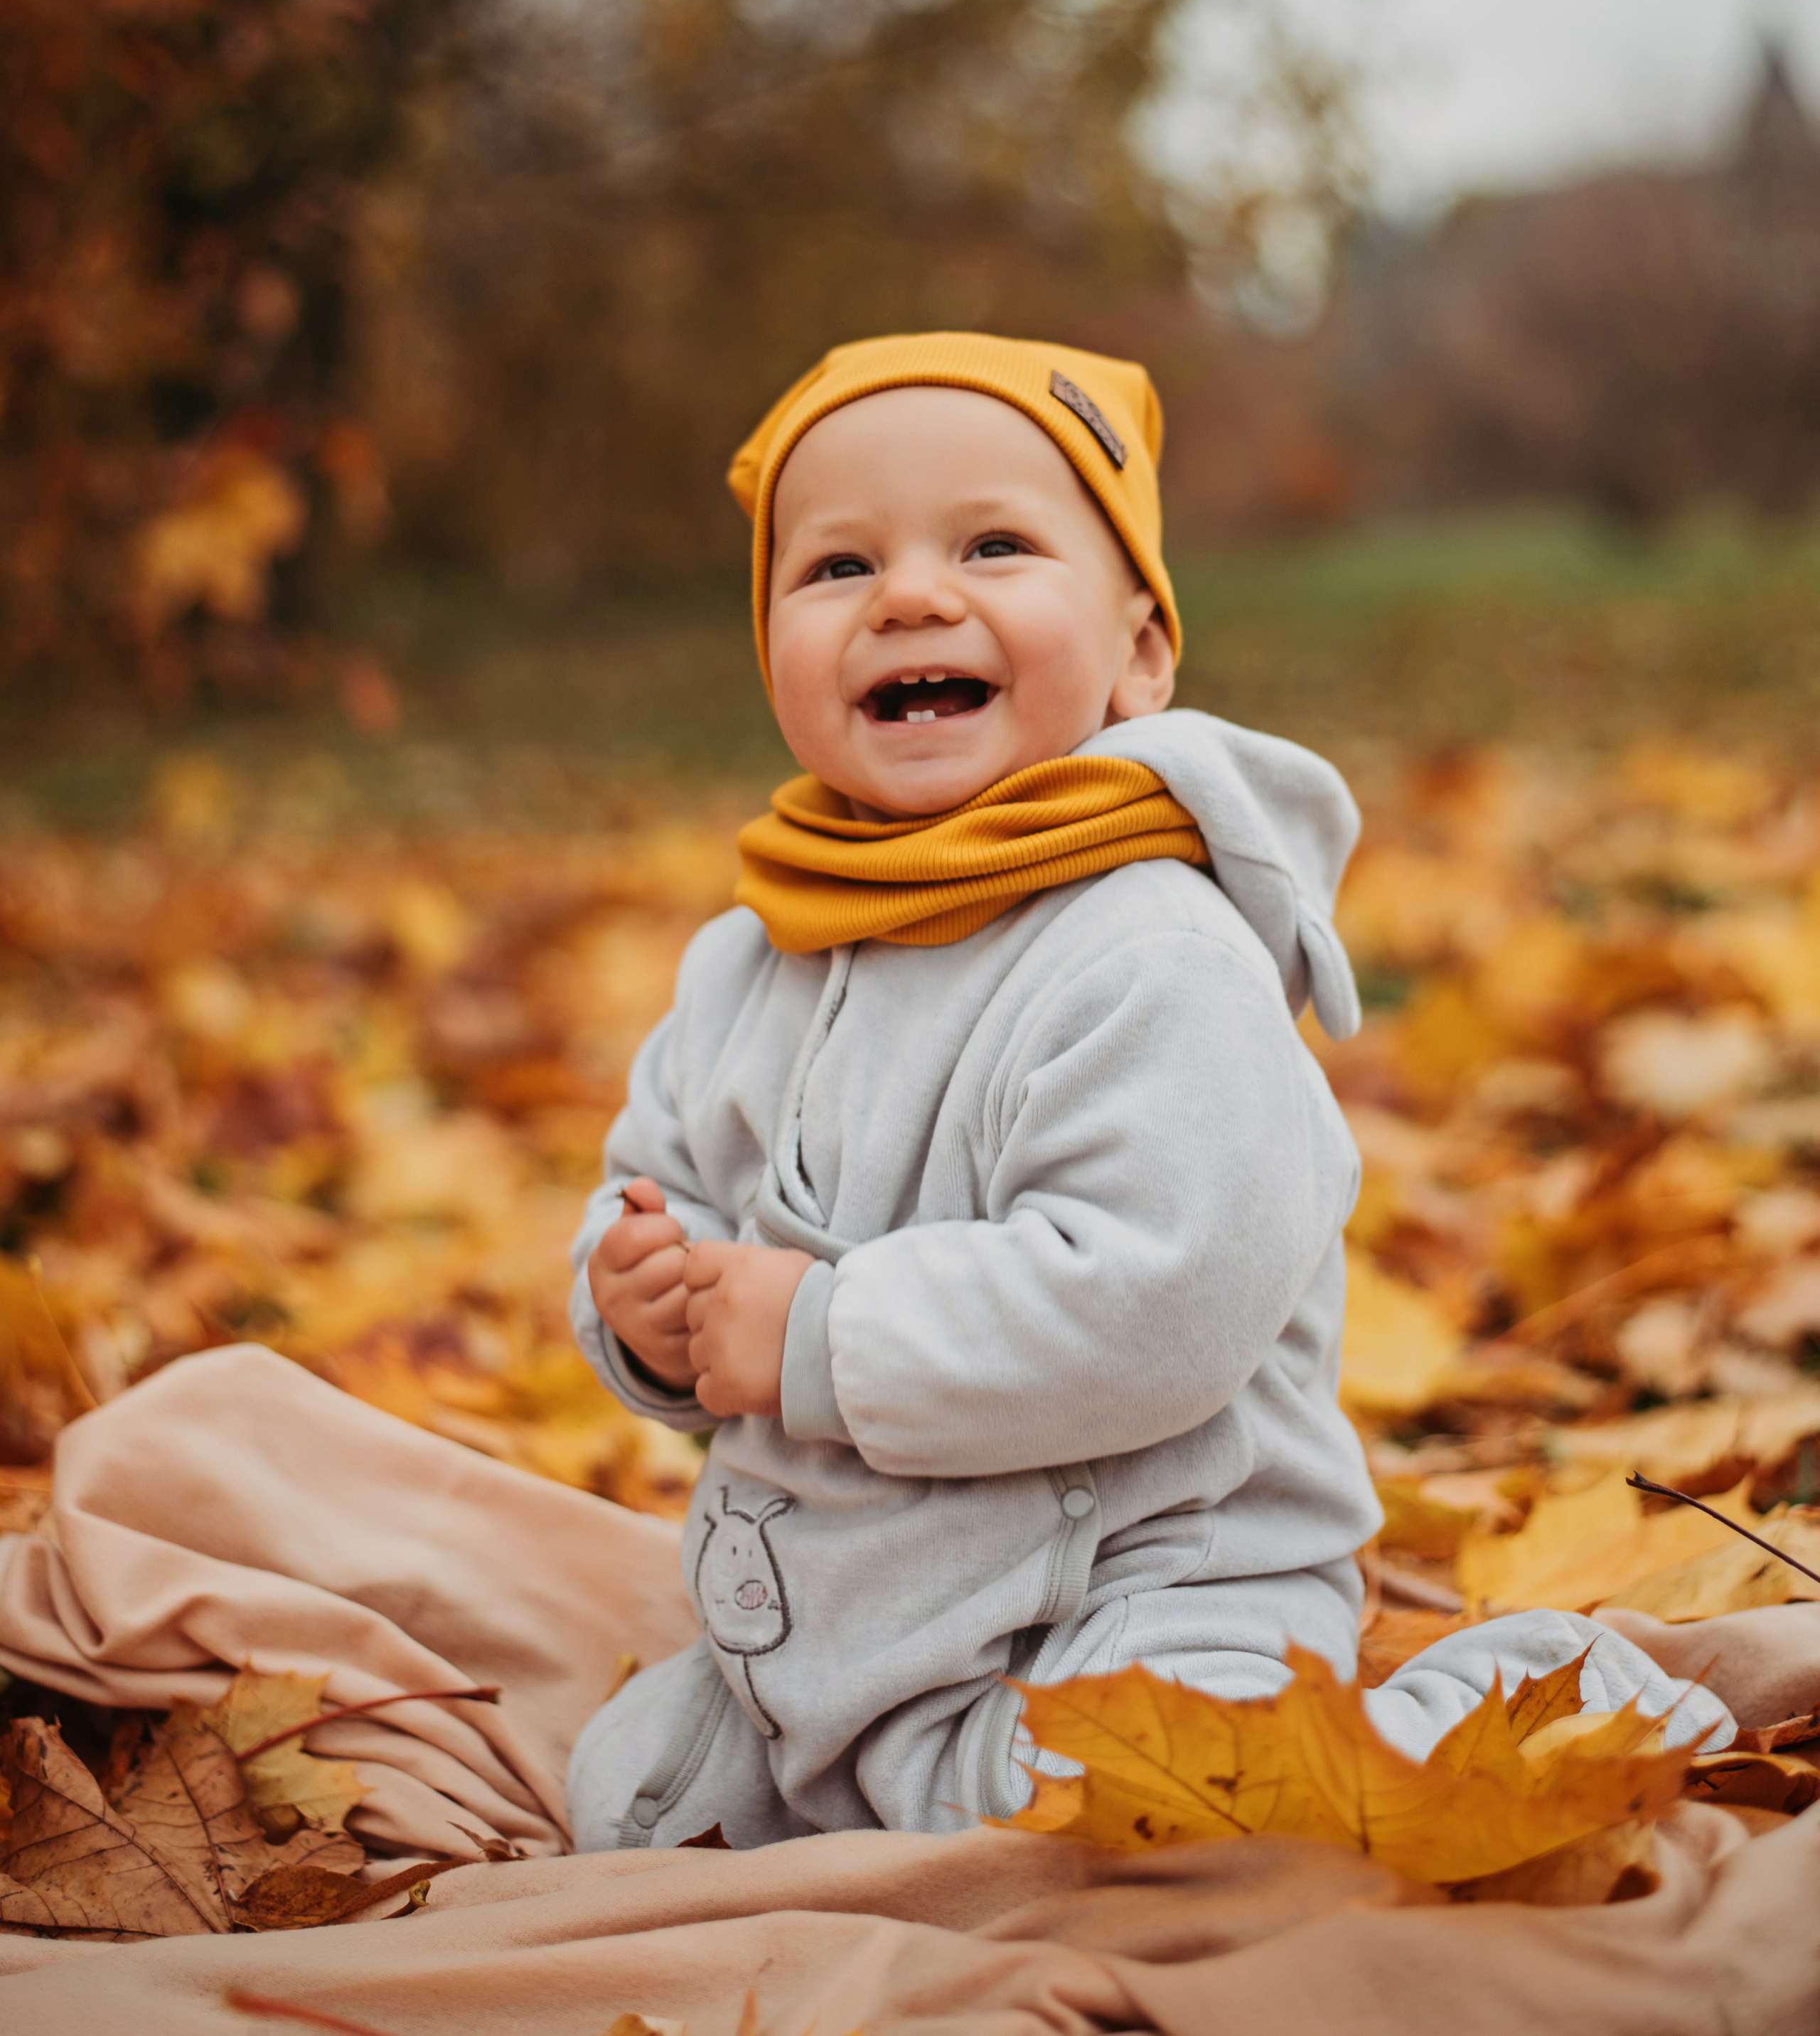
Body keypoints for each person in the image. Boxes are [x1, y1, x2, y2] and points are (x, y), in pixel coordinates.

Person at [566, 331, 1729, 1850]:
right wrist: (640, 1301)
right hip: (834, 1609)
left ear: (1140, 655)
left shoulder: (1152, 952)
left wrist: (818, 1335)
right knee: (623, 1807)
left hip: (1139, 1593)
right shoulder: (750, 957)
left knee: (1176, 1821)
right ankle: (852, 1762)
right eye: (838, 565)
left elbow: (1162, 1299)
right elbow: (658, 1179)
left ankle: (1498, 1704)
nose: (909, 596)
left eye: (992, 545)